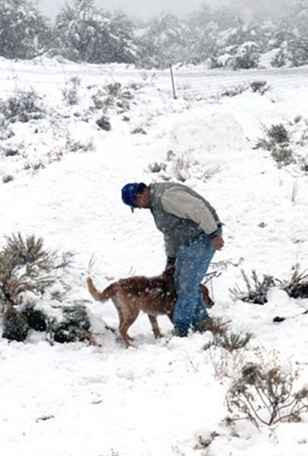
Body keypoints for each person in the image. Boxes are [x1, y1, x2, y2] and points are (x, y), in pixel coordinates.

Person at [121, 181, 224, 337]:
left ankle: (182, 330)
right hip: (188, 242)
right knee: (179, 283)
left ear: (139, 196)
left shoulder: (166, 197)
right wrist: (171, 259)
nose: (139, 208)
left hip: (203, 237)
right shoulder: (155, 205)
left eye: (136, 205)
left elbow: (198, 209)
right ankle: (203, 324)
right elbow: (170, 232)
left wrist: (213, 234)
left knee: (187, 284)